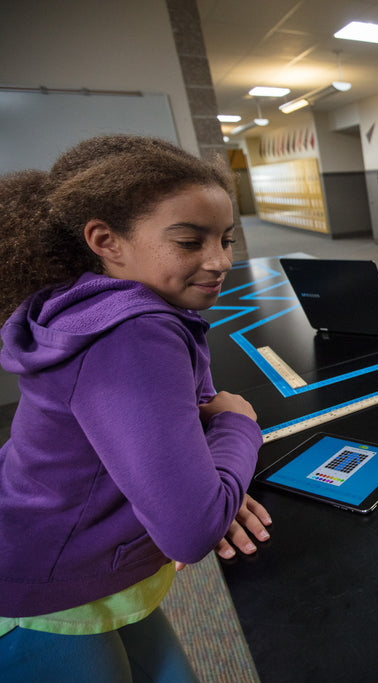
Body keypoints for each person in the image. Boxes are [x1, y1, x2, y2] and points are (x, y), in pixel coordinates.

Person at [0, 135, 270, 680]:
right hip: (43, 591)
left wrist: (206, 483)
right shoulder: (134, 334)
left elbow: (144, 449)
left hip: (84, 564)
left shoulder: (91, 305)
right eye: (190, 241)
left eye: (226, 239)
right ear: (106, 240)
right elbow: (192, 531)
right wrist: (239, 425)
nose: (219, 262)